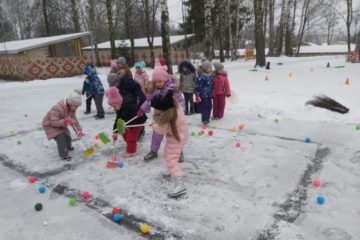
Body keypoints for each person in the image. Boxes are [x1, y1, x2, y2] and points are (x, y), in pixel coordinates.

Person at [138, 65, 185, 161]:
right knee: (156, 135)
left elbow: (181, 101)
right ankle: (153, 151)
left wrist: (181, 112)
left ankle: (179, 152)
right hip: (159, 118)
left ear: (165, 80)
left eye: (160, 81)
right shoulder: (153, 90)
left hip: (172, 117)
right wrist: (142, 109)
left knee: (175, 135)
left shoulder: (172, 90)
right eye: (156, 82)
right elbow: (149, 101)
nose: (158, 84)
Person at [150, 90, 189, 198]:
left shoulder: (167, 117)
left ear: (162, 108)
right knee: (167, 153)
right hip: (180, 135)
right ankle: (173, 172)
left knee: (171, 158)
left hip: (177, 138)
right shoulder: (173, 105)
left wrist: (153, 124)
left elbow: (161, 130)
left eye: (155, 108)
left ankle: (180, 184)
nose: (154, 110)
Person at [106, 87, 147, 157]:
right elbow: (118, 120)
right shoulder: (118, 108)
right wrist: (115, 132)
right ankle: (132, 145)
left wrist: (127, 125)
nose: (114, 108)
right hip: (128, 123)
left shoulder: (130, 106)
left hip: (137, 122)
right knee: (124, 135)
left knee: (130, 137)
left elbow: (134, 118)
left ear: (119, 102)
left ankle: (131, 151)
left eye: (114, 106)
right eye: (113, 107)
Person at [42, 91, 84, 161]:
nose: (76, 109)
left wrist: (79, 130)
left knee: (68, 136)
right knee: (61, 138)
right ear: (70, 103)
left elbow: (74, 120)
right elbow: (53, 122)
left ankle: (68, 147)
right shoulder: (57, 108)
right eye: (75, 106)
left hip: (61, 124)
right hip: (50, 125)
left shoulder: (71, 109)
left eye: (77, 107)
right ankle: (63, 154)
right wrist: (65, 121)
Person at [195, 61, 214, 126]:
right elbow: (197, 86)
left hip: (209, 94)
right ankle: (204, 119)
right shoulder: (201, 77)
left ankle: (207, 118)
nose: (210, 69)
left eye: (211, 68)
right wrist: (197, 95)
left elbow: (212, 85)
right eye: (209, 68)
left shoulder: (210, 75)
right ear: (204, 69)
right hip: (203, 95)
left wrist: (213, 91)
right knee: (205, 107)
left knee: (210, 106)